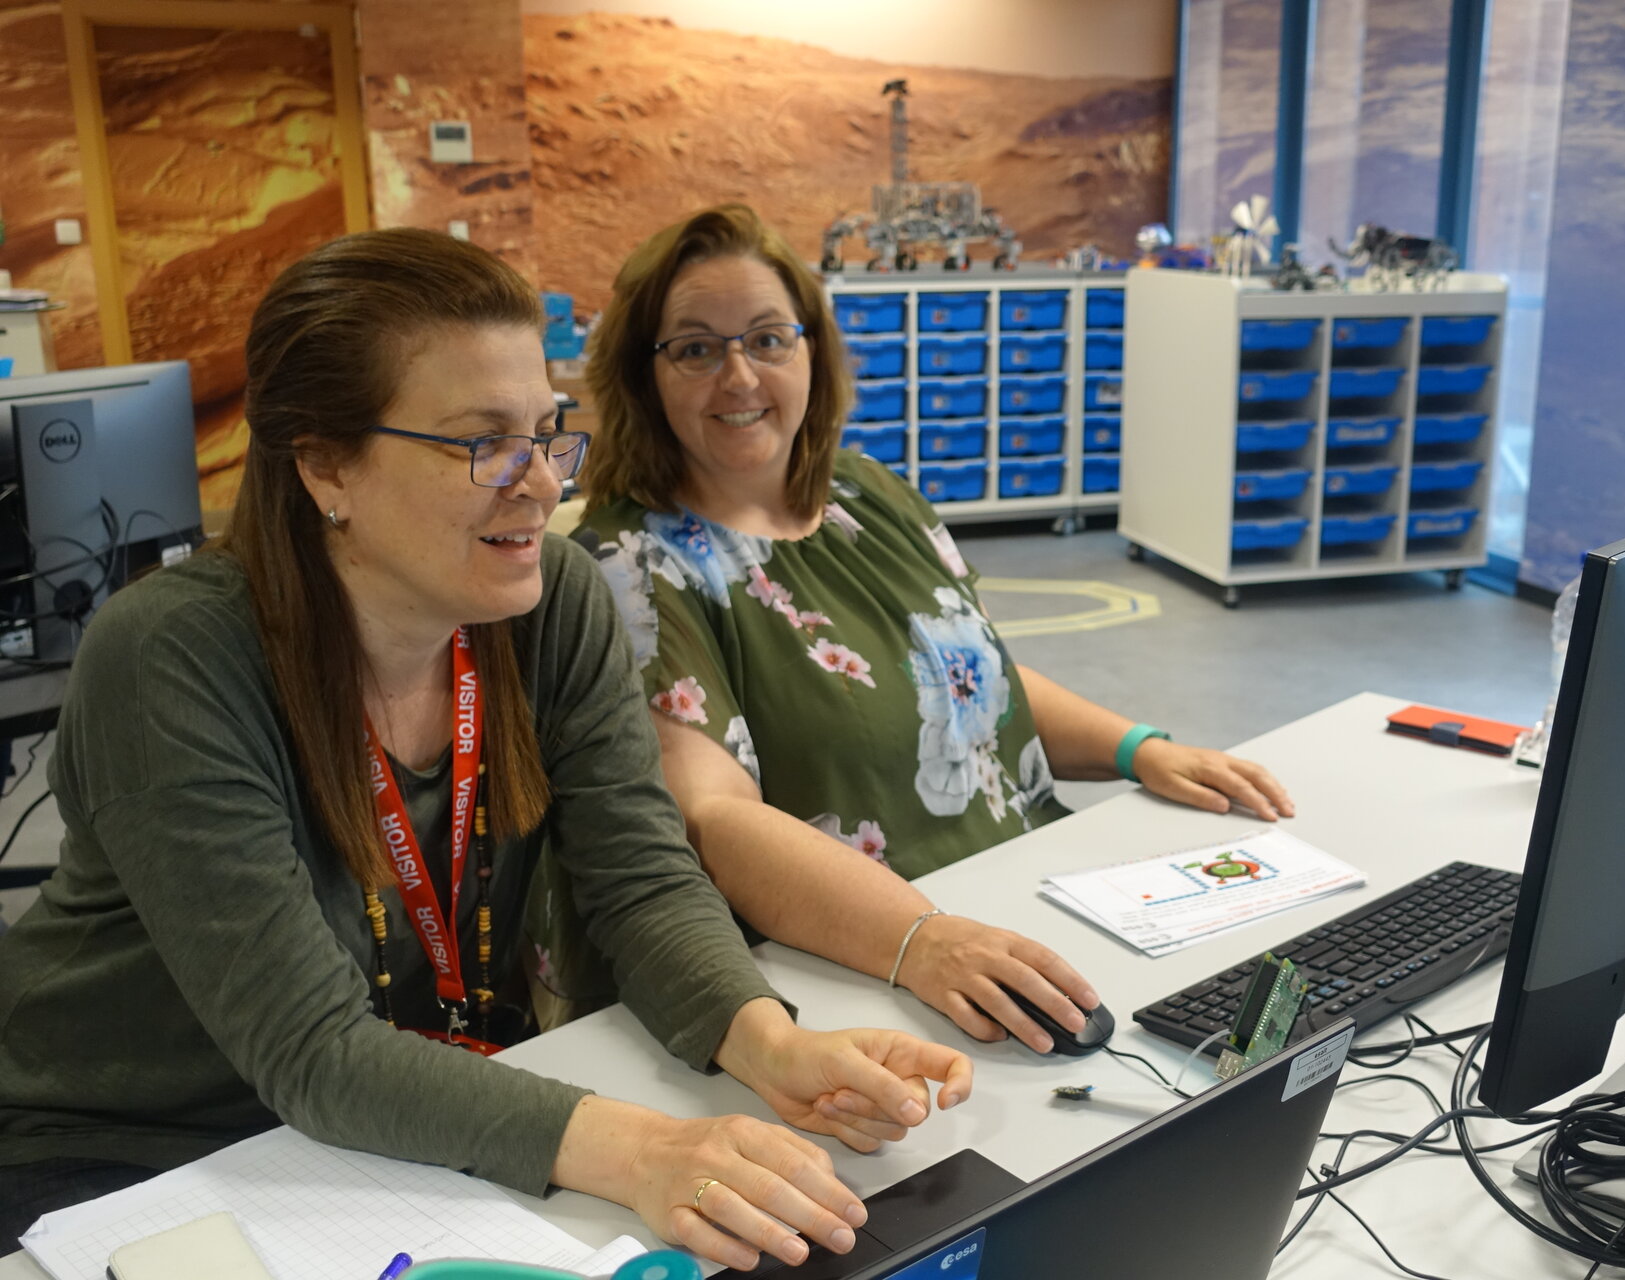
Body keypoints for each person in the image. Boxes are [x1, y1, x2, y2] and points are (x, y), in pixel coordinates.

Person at [0, 228, 973, 1274]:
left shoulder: (554, 610)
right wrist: (653, 1147)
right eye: (482, 442)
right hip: (132, 1154)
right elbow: (310, 1049)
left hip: (400, 1110)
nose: (544, 485)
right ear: (326, 463)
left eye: (549, 433)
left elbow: (639, 880)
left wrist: (772, 1045)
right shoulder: (174, 655)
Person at [537, 204, 1293, 1055]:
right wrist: (921, 940)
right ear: (645, 376)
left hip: (1032, 911)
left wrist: (1139, 750)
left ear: (812, 352)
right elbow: (713, 821)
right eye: (696, 348)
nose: (741, 377)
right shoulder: (633, 566)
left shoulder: (869, 497)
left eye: (768, 339)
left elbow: (974, 676)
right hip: (876, 968)